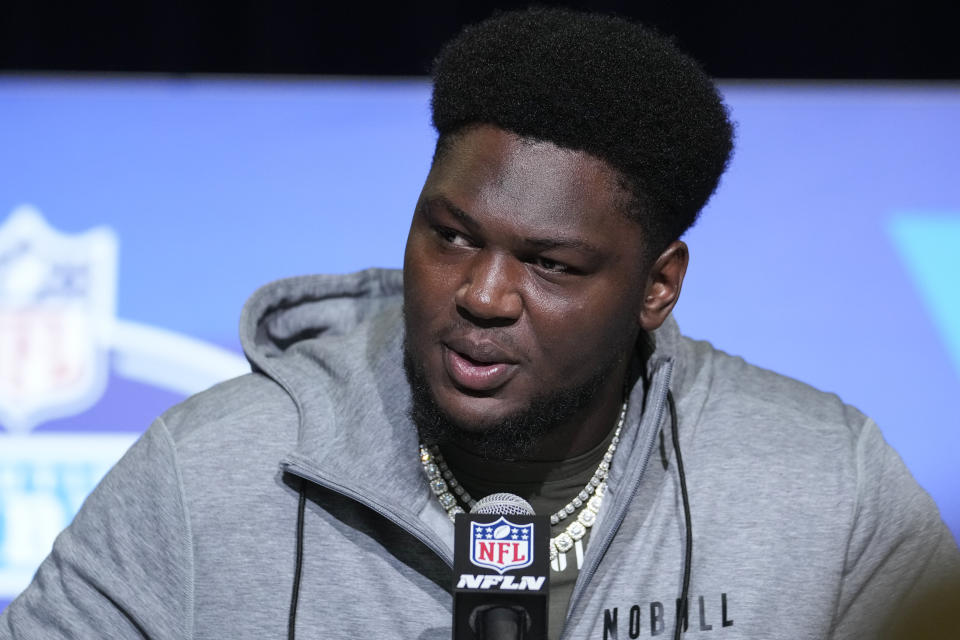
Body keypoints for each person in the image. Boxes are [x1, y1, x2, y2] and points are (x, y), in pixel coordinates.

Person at [2, 8, 958, 640]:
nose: (484, 296)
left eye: (549, 264)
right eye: (451, 235)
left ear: (657, 288)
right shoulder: (208, 477)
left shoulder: (825, 488)